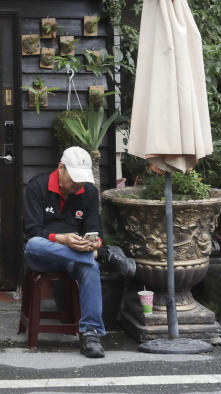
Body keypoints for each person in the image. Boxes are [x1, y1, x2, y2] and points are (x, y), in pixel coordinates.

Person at [23, 146, 136, 358]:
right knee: (33, 244)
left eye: (82, 179)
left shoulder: (88, 192)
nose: (78, 184)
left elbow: (96, 231)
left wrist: (94, 244)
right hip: (44, 254)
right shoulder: (37, 186)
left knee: (90, 265)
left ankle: (91, 333)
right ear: (60, 168)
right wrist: (63, 239)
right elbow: (32, 230)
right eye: (74, 178)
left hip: (76, 256)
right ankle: (105, 256)